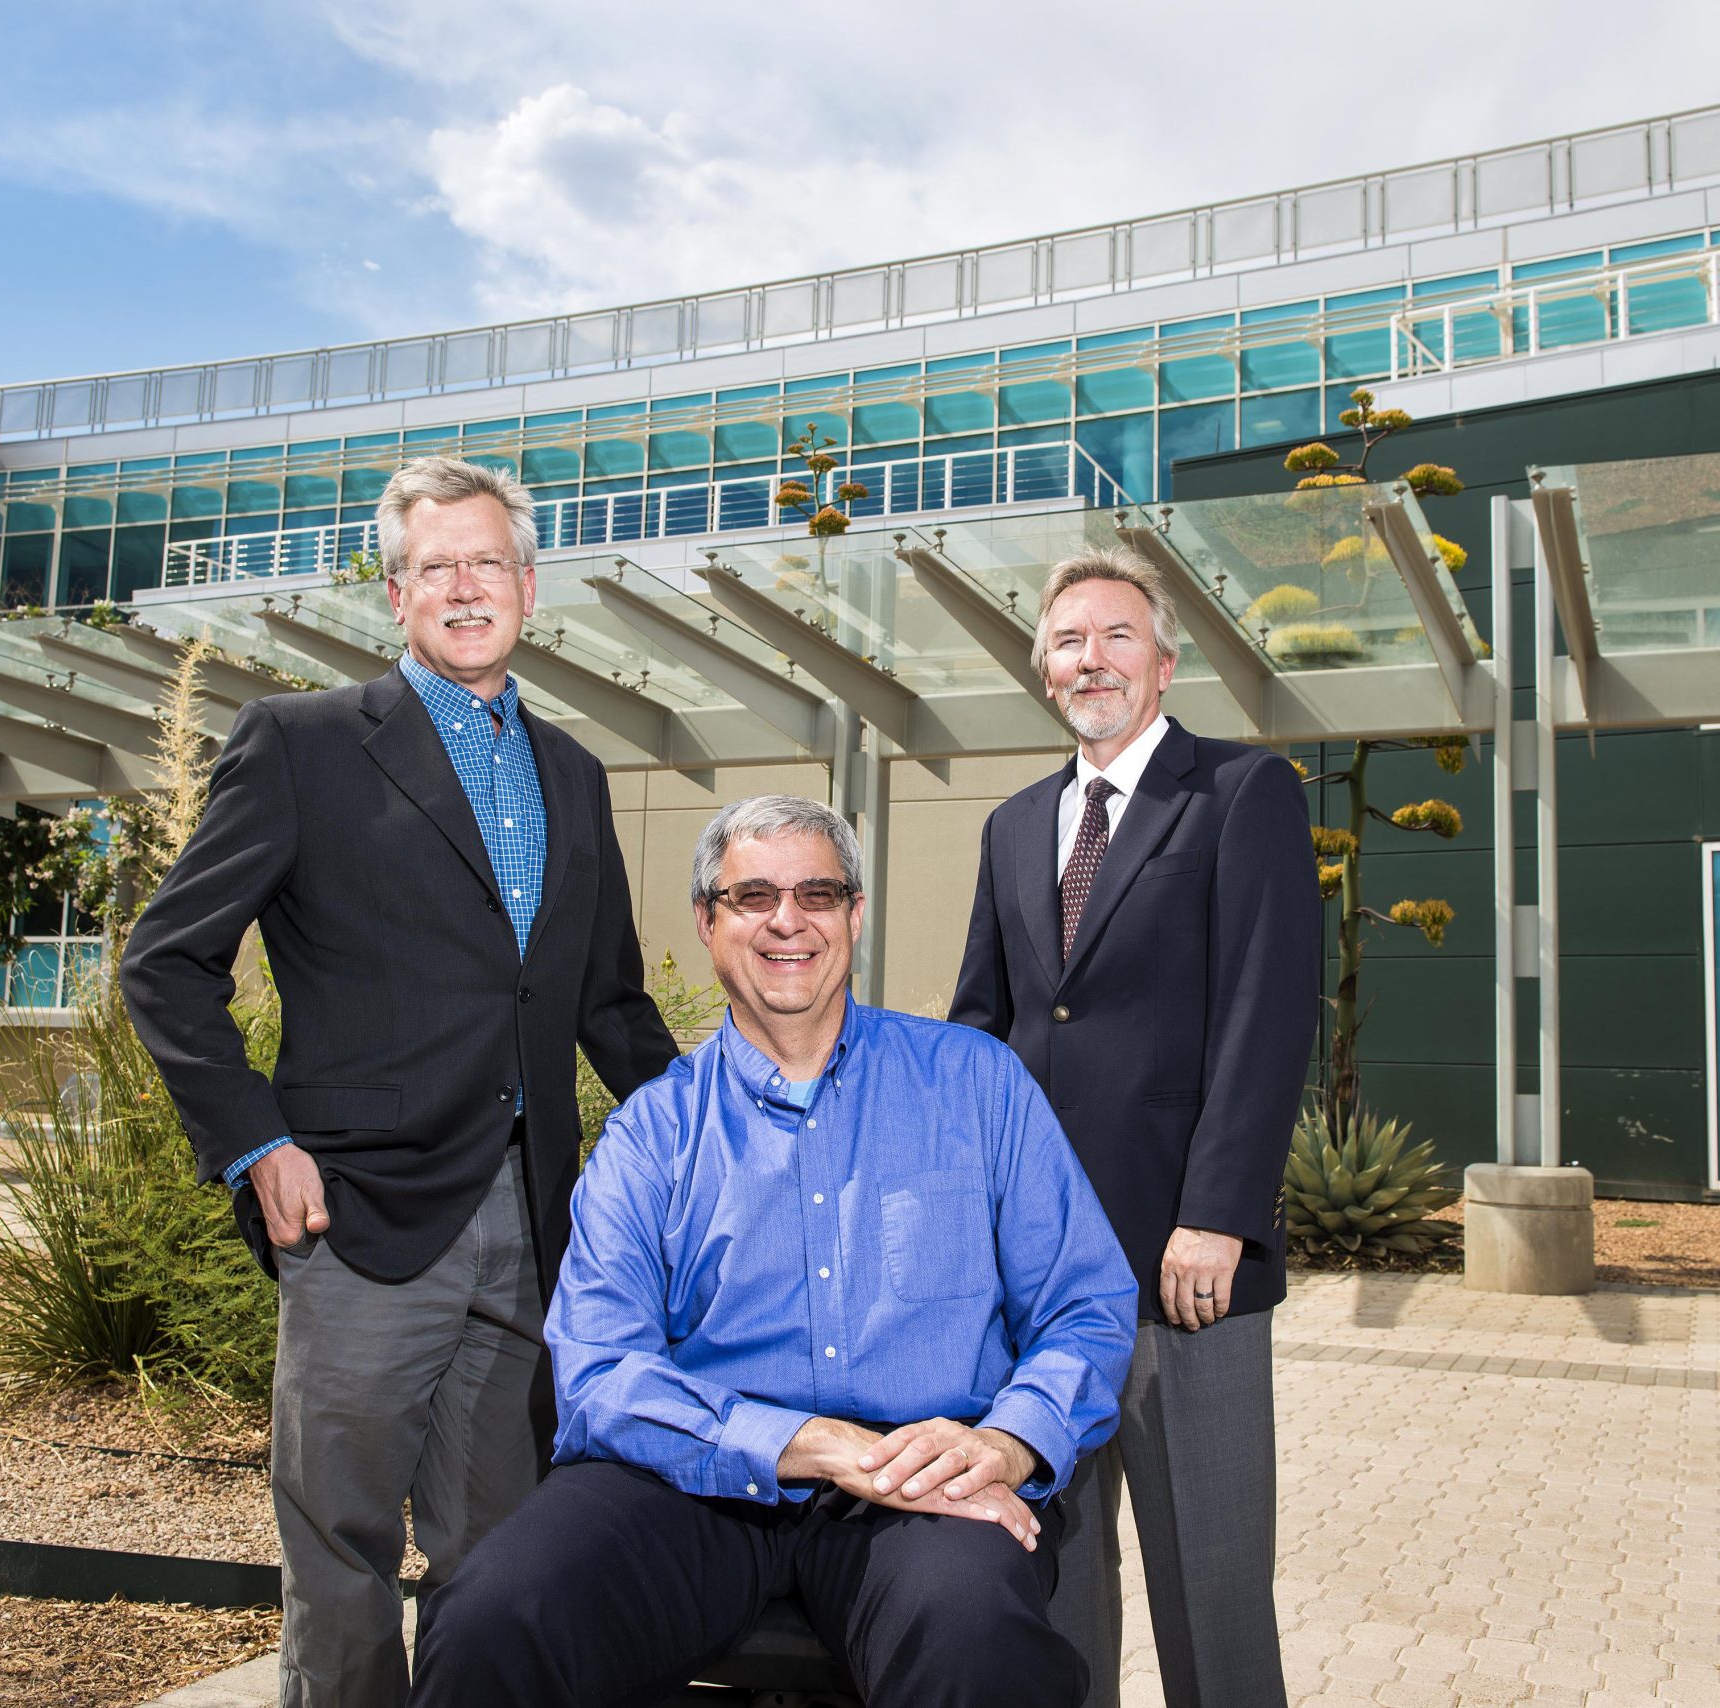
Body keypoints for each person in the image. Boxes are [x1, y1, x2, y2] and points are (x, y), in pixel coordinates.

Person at [120, 456, 678, 1708]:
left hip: (538, 1222)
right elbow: (166, 964)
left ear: (529, 587)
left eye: (488, 562)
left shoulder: (576, 775)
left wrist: (731, 1141)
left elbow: (607, 1007)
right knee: (343, 1548)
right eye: (437, 566)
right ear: (396, 591)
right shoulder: (302, 743)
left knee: (504, 1555)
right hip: (359, 1213)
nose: (465, 586)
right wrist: (255, 1142)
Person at [410, 794, 1137, 1708]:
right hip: (693, 1481)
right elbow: (599, 1370)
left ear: (855, 917)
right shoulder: (652, 1132)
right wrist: (799, 1441)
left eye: (817, 893)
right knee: (489, 1622)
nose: (787, 920)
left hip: (918, 1485)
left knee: (980, 1647)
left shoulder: (977, 1084)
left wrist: (1006, 1444)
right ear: (709, 924)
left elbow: (1086, 1305)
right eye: (753, 896)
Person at [950, 545, 1322, 1708]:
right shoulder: (1014, 824)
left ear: (1162, 663)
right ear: (1043, 671)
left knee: (1210, 1592)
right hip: (1039, 1277)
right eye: (1068, 640)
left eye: (1116, 636)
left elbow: (1267, 1015)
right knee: (1051, 1585)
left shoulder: (1241, 791)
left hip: (1182, 1269)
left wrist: (1216, 1214)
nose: (1091, 658)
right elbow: (983, 1031)